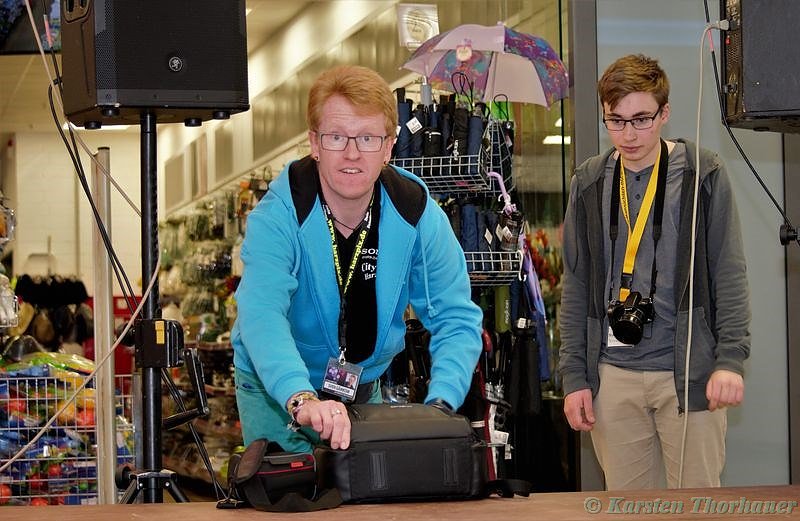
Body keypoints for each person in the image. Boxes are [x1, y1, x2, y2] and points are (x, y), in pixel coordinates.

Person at [231, 64, 483, 453]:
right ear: (314, 143)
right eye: (336, 137)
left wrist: (441, 406)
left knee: (369, 505)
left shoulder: (415, 212)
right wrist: (301, 399)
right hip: (277, 390)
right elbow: (262, 316)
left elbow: (455, 316)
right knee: (288, 505)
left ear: (389, 146)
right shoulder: (279, 215)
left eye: (367, 137)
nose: (352, 153)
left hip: (363, 388)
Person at [558, 54, 750, 490]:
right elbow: (577, 286)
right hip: (614, 377)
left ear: (665, 113)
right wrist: (574, 376)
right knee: (628, 513)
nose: (628, 134)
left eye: (641, 119)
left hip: (687, 373)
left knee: (697, 512)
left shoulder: (703, 173)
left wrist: (730, 360)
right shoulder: (589, 181)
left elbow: (730, 275)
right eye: (616, 120)